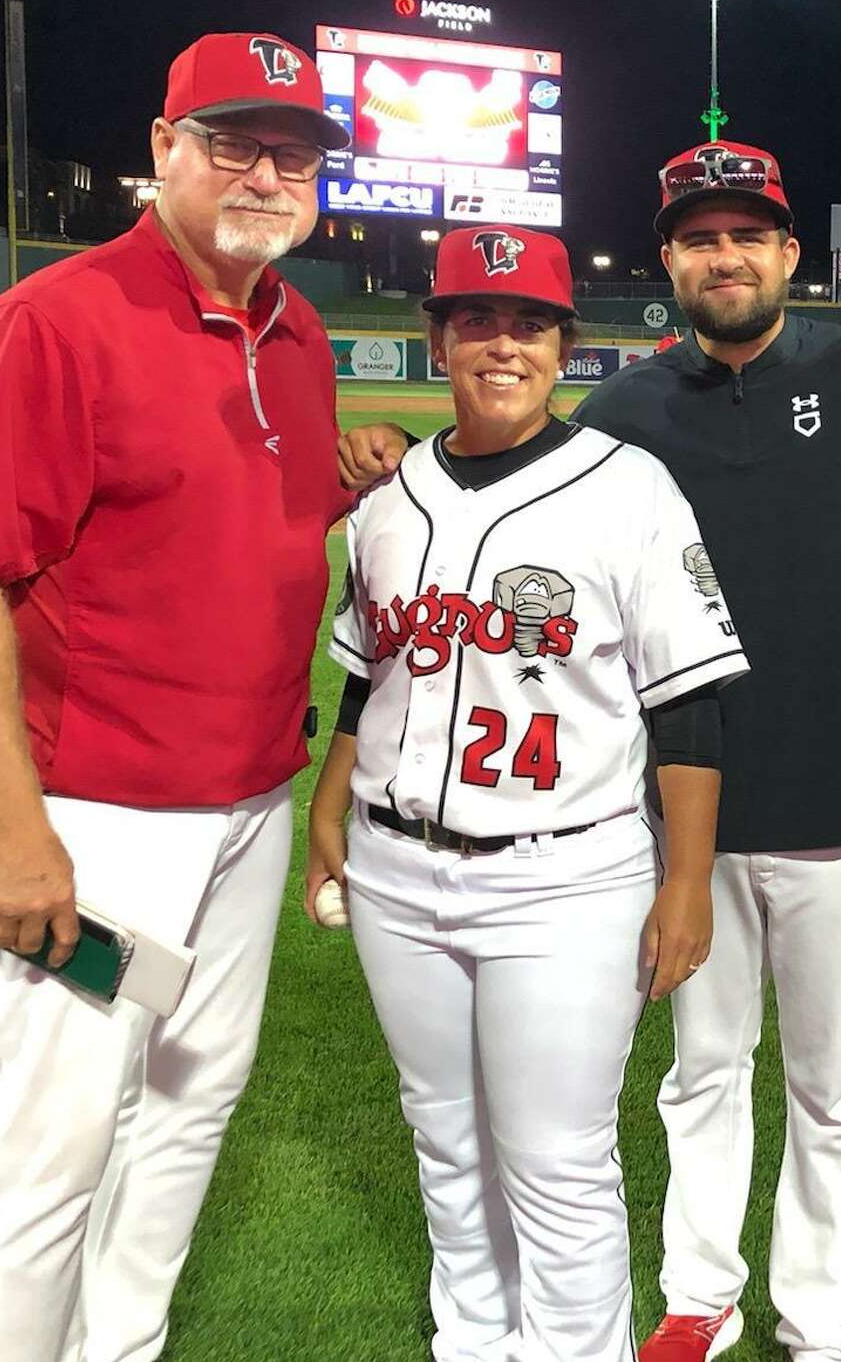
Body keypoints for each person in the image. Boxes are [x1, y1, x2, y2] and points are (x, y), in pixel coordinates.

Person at [340, 140, 841, 1362]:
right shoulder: (622, 410)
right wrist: (389, 448)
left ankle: (823, 1318)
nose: (723, 255)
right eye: (697, 237)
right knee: (701, 1070)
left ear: (789, 252)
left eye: (747, 234)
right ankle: (699, 1292)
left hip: (839, 799)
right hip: (674, 816)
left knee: (834, 1088)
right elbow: (503, 470)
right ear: (668, 259)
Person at [0, 30, 352, 1362]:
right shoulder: (55, 322)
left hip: (247, 804)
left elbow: (222, 511)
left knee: (187, 1110)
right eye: (233, 143)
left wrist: (349, 476)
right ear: (164, 152)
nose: (267, 173)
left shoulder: (296, 324)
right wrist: (10, 828)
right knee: (48, 1156)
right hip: (91, 827)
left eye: (295, 151)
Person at [305, 224, 743, 1362]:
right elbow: (370, 673)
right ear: (438, 338)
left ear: (565, 346)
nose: (504, 344)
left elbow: (688, 704)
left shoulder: (628, 485)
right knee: (444, 1141)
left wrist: (686, 881)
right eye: (478, 320)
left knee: (555, 1160)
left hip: (567, 873)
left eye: (530, 324)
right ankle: (472, 1340)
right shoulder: (392, 496)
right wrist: (328, 799)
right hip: (396, 865)